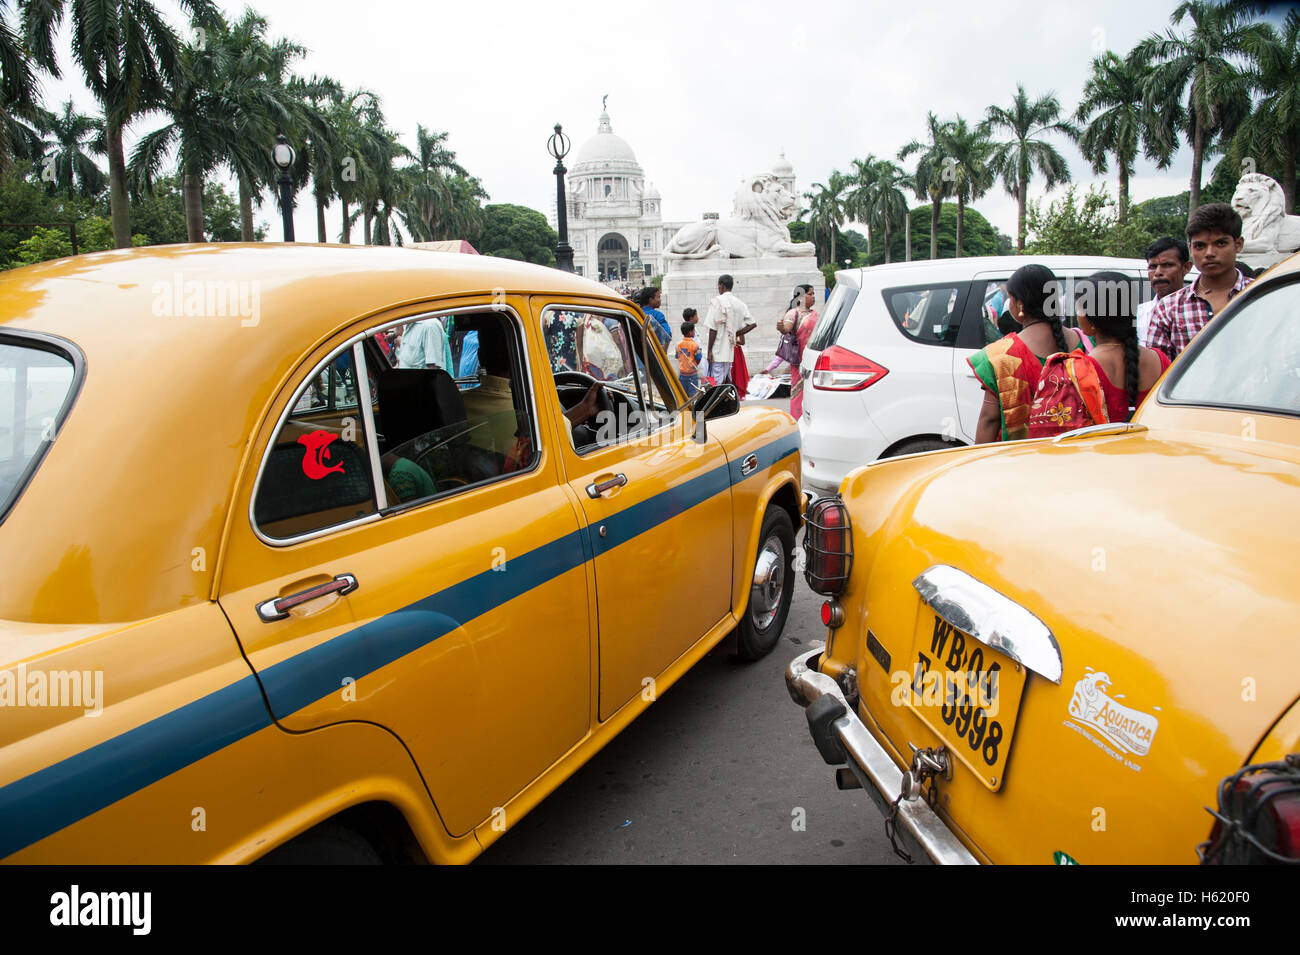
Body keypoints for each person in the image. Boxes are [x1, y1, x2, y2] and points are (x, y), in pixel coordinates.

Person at [1027, 272, 1172, 437]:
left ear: (1093, 320)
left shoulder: (1073, 370)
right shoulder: (1161, 360)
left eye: (1080, 307)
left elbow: (1050, 438)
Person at [968, 264, 1086, 443]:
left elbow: (989, 419)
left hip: (1023, 461)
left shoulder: (1001, 355)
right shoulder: (1086, 342)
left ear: (1019, 304)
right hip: (1079, 457)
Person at [1145, 203, 1253, 361]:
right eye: (1200, 246)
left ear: (1238, 244)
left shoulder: (1261, 295)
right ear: (1190, 248)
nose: (1209, 253)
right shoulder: (1169, 308)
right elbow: (1160, 374)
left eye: (1220, 243)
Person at [1135, 237, 1192, 347]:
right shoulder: (1138, 315)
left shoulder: (1198, 311)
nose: (1158, 272)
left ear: (1186, 268)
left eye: (1167, 265)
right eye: (1153, 267)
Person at [703, 274, 756, 386]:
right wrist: (735, 333)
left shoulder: (716, 302)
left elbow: (713, 329)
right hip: (729, 352)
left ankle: (718, 403)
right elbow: (752, 323)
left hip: (717, 351)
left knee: (716, 384)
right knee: (725, 380)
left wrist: (709, 351)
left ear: (722, 285)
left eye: (718, 285)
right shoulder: (740, 304)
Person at [765, 284, 818, 375]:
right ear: (800, 298)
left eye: (814, 293)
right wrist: (783, 329)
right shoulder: (793, 314)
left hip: (813, 360)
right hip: (798, 363)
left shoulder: (816, 314)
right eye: (810, 294)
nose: (813, 296)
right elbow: (786, 330)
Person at [676, 322, 703, 397]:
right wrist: (695, 365)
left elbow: (677, 356)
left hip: (682, 374)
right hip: (692, 374)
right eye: (694, 330)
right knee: (693, 394)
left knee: (682, 394)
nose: (694, 332)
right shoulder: (694, 345)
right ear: (690, 332)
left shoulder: (679, 344)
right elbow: (699, 357)